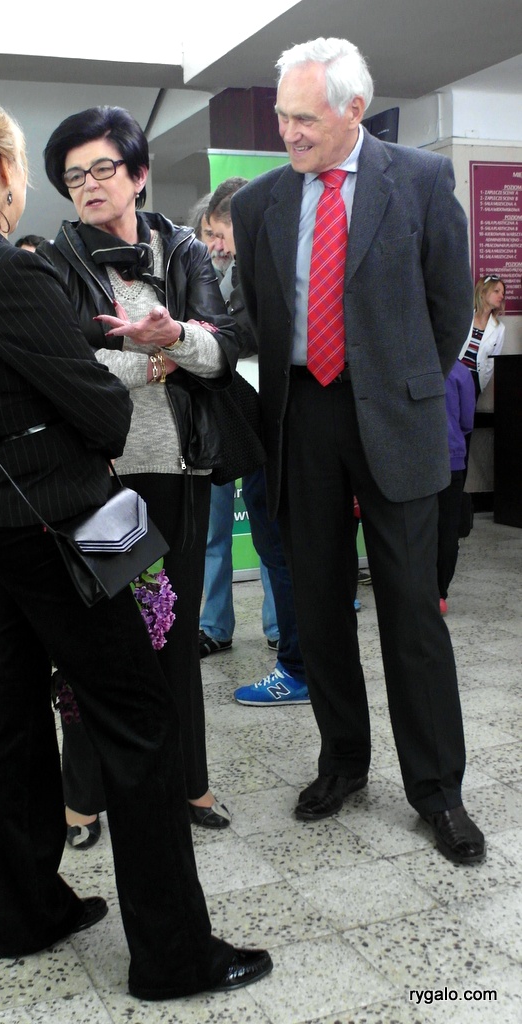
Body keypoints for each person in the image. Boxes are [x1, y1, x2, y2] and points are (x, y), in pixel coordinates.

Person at [0, 89, 272, 998]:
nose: (78, 184)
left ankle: (28, 909)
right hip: (67, 523)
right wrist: (133, 374)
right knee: (140, 718)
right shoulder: (16, 272)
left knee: (11, 711)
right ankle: (174, 957)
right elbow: (104, 414)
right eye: (60, 171)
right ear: (4, 171)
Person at [231, 37, 486, 866]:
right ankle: (342, 761)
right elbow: (259, 315)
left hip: (395, 418)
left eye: (305, 117)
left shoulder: (420, 180)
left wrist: (404, 385)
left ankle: (438, 791)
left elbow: (450, 306)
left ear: (353, 110)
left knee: (411, 607)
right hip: (301, 416)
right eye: (282, 116)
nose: (289, 132)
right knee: (318, 602)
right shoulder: (262, 202)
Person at [40, 105, 241, 844]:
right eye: (73, 177)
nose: (88, 185)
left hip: (176, 472)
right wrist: (157, 362)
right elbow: (68, 368)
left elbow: (221, 353)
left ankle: (189, 782)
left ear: (138, 174)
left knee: (177, 636)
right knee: (105, 640)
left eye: (101, 168)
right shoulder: (57, 262)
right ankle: (83, 795)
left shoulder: (182, 250)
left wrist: (176, 337)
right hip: (104, 481)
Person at [199, 177, 310, 706]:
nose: (215, 245)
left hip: (272, 425)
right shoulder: (251, 266)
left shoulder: (263, 267)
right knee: (274, 545)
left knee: (278, 548)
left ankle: (296, 664)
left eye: (218, 233)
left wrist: (190, 334)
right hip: (260, 423)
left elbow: (244, 335)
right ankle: (297, 659)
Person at [437, 360, 476, 615]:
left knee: (418, 527)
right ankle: (440, 593)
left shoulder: (411, 365)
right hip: (451, 459)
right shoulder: (461, 372)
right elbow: (466, 422)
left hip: (416, 463)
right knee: (448, 529)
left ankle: (417, 589)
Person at [458, 275, 506, 400]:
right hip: (455, 373)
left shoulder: (499, 328)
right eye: (496, 291)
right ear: (483, 292)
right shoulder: (464, 316)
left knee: (468, 412)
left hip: (474, 380)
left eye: (502, 293)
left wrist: (480, 385)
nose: (501, 296)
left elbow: (491, 362)